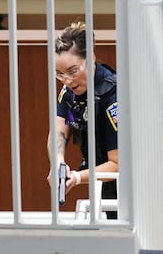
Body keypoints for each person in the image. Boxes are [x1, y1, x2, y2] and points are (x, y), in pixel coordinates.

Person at [46, 21, 120, 219]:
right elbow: (60, 129)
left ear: (91, 59)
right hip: (100, 181)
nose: (67, 80)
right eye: (59, 74)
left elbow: (118, 164)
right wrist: (59, 162)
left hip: (131, 188)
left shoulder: (113, 98)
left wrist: (77, 177)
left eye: (72, 71)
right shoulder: (70, 90)